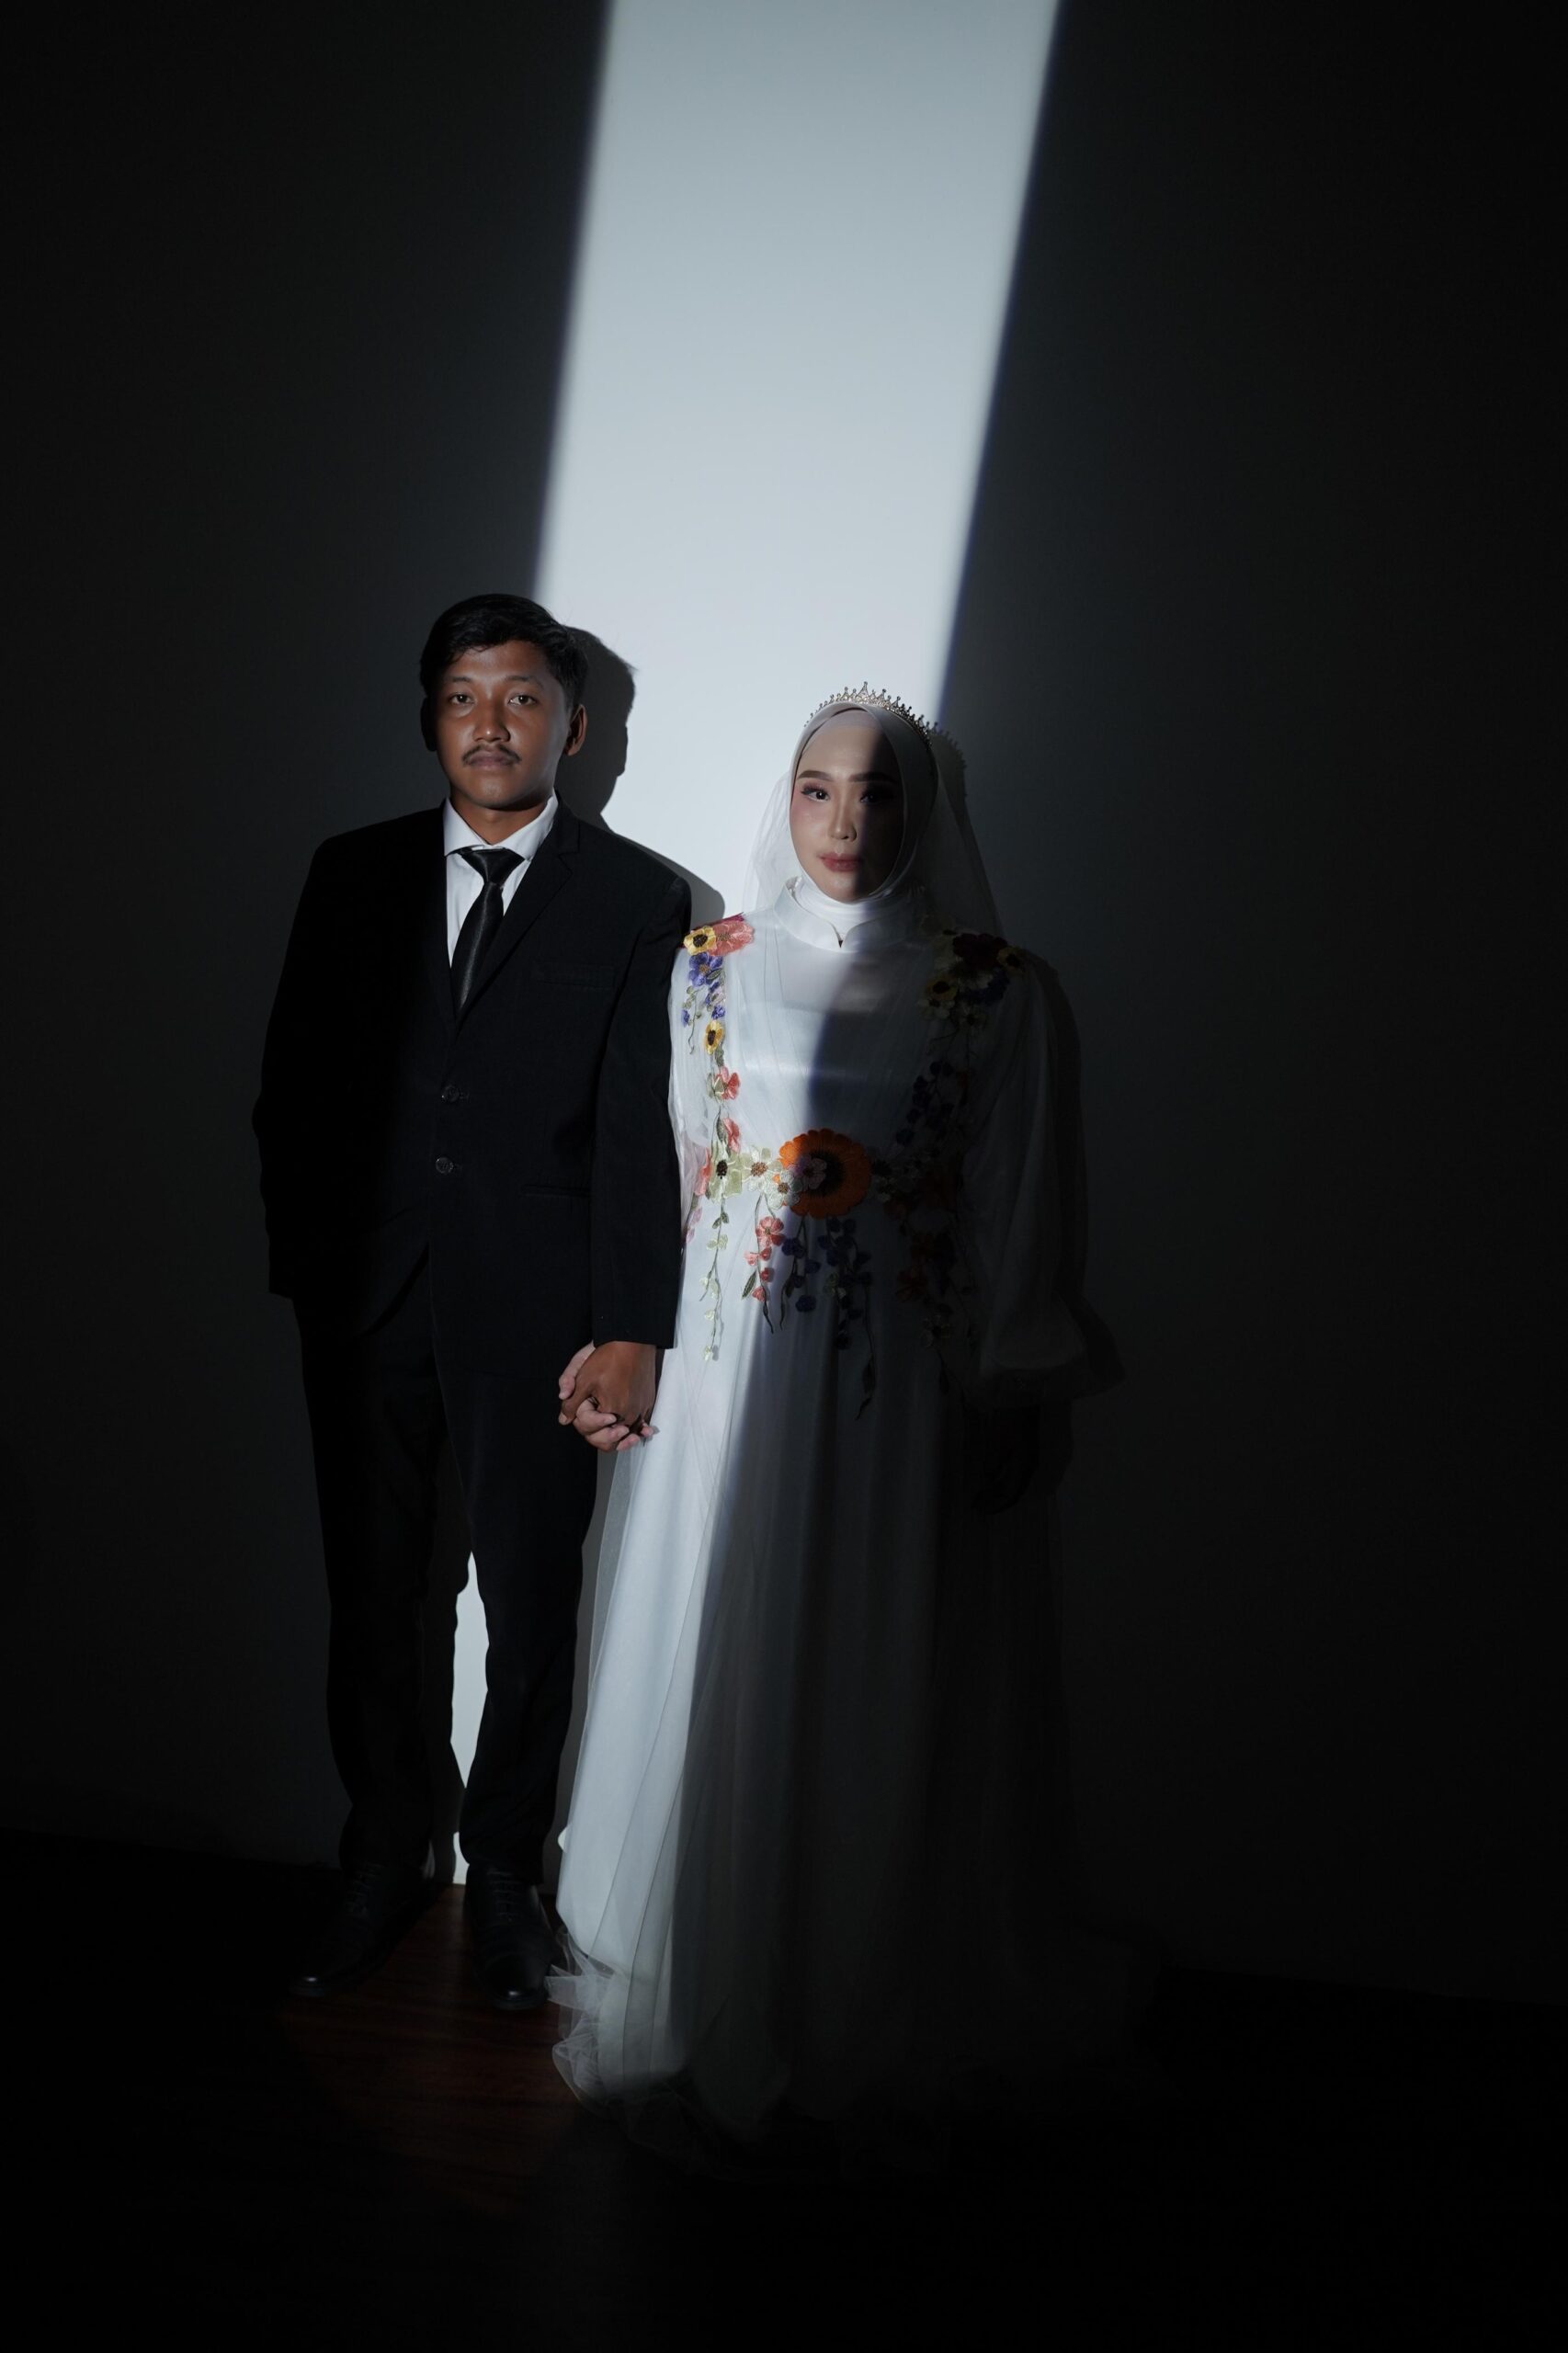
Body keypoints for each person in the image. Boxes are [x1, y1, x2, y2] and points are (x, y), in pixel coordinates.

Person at [549, 687, 1126, 2168]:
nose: (845, 822)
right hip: (731, 1377)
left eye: (877, 793)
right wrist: (634, 1342)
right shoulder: (708, 970)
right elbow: (675, 1173)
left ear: (923, 812)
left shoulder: (993, 992)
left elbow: (1013, 1202)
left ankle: (857, 1968)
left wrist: (1008, 1377)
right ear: (784, 799)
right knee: (721, 1630)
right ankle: (704, 1947)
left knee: (876, 1634)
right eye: (817, 789)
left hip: (893, 1389)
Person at [254, 593, 689, 2008]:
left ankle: (503, 1873)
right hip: (367, 1303)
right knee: (376, 1594)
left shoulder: (635, 898)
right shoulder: (352, 873)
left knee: (531, 1599)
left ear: (574, 726)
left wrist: (629, 1324)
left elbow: (636, 1131)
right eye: (460, 698)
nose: (489, 725)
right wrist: (313, 1269)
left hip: (542, 1314)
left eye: (519, 699)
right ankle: (383, 1855)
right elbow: (293, 1086)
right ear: (429, 719)